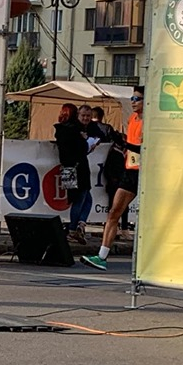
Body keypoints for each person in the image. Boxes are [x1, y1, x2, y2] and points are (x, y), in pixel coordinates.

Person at [82, 86, 144, 270]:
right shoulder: (132, 119)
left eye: (137, 99)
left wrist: (126, 144)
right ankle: (102, 256)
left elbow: (145, 147)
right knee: (113, 212)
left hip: (146, 172)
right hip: (130, 171)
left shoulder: (149, 121)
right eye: (132, 98)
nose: (133, 102)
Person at [54, 103, 97, 245]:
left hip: (68, 168)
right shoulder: (75, 131)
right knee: (81, 199)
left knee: (85, 198)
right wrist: (85, 141)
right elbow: (81, 149)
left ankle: (80, 225)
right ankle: (74, 228)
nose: (85, 118)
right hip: (79, 168)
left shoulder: (62, 129)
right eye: (83, 115)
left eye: (88, 116)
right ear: (76, 115)